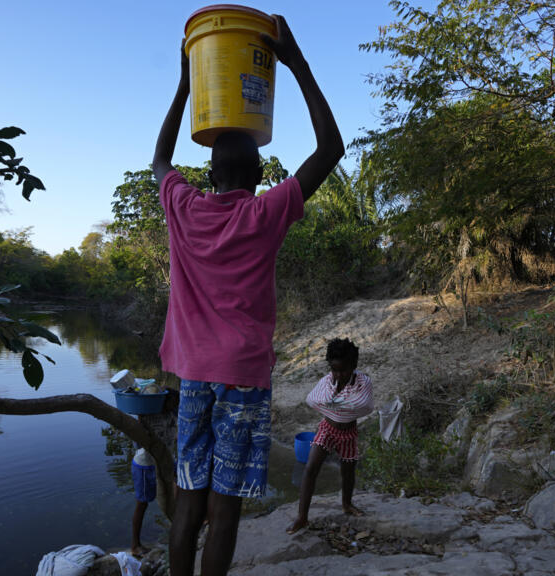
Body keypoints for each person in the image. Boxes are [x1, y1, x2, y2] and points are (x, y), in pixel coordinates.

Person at [151, 13, 343, 576]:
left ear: (207, 175)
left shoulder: (182, 207)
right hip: (242, 376)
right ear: (260, 173)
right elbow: (330, 148)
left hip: (191, 376)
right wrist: (297, 64)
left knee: (189, 496)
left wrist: (187, 85)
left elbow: (161, 159)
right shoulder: (264, 213)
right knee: (225, 502)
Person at [287, 338, 374, 535]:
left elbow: (364, 405)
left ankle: (347, 504)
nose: (338, 375)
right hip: (328, 429)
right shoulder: (328, 381)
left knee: (348, 471)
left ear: (354, 366)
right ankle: (302, 517)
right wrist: (337, 400)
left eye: (343, 370)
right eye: (334, 370)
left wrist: (336, 402)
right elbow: (313, 399)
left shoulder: (363, 382)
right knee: (310, 468)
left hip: (348, 432)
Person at [130, 448, 156, 557]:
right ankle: (135, 545)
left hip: (163, 461)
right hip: (145, 466)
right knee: (142, 503)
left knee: (176, 491)